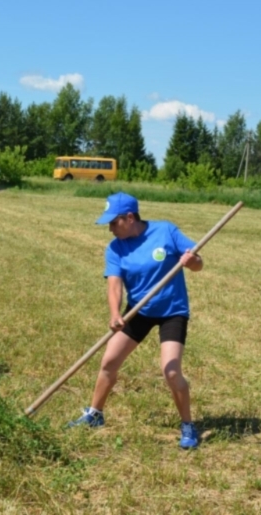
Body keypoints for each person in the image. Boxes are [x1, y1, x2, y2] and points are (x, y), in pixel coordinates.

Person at [68, 192, 204, 449]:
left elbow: (199, 264)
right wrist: (115, 314)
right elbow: (114, 285)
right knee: (109, 361)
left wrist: (192, 261)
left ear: (129, 218)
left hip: (172, 311)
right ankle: (95, 415)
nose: (109, 228)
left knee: (171, 370)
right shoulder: (116, 248)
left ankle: (187, 425)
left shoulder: (166, 231)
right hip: (138, 311)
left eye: (113, 222)